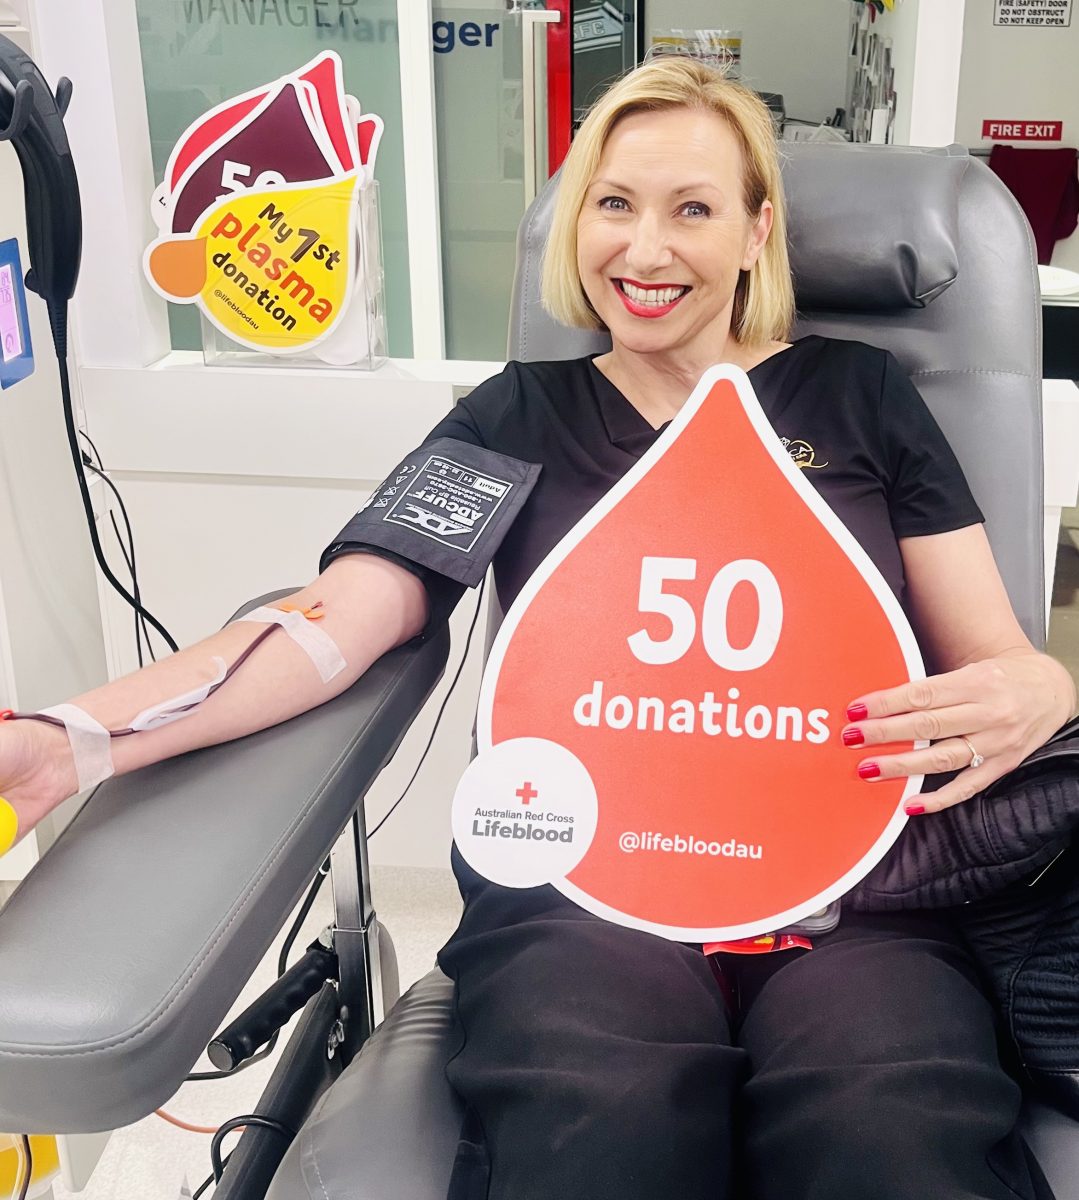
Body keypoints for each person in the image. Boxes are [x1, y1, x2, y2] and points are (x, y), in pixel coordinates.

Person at [0, 57, 1075, 1200]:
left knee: (890, 1128)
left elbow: (999, 661)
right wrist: (75, 741)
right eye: (611, 204)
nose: (643, 251)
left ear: (758, 231)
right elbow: (336, 624)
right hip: (582, 883)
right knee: (600, 1121)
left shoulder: (860, 398)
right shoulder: (512, 417)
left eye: (691, 209)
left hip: (853, 893)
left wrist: (1044, 688)